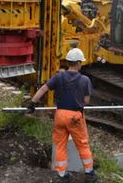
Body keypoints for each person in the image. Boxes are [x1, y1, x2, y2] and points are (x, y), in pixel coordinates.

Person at [27, 48, 96, 182]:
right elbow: (86, 101)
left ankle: (62, 174)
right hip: (75, 116)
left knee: (60, 145)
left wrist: (32, 103)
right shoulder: (85, 79)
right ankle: (89, 173)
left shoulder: (59, 76)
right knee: (82, 144)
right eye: (81, 62)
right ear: (77, 63)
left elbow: (43, 89)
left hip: (60, 115)